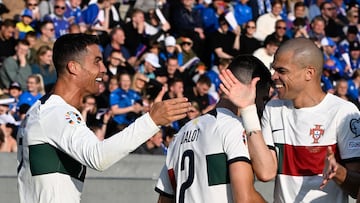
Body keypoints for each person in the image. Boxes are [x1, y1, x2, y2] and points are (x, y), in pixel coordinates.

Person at [16, 33, 191, 203]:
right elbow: (98, 157)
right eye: (97, 61)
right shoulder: (56, 113)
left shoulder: (41, 110)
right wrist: (152, 120)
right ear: (74, 67)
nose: (104, 69)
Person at [219, 37, 360, 202]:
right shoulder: (273, 109)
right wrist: (247, 109)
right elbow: (265, 172)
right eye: (273, 69)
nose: (273, 76)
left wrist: (339, 173)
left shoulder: (344, 112)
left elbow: (357, 189)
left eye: (282, 71)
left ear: (309, 73)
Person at [155, 55, 272, 203]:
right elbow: (245, 199)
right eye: (263, 99)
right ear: (253, 89)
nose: (263, 106)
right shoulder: (234, 127)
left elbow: (164, 199)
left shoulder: (181, 133)